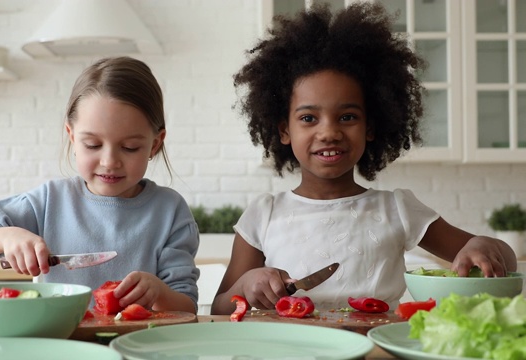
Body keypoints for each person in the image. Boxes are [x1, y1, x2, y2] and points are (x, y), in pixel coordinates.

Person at [211, 3, 516, 315]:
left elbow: (505, 257)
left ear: (370, 127)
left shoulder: (398, 208)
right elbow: (220, 308)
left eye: (347, 116)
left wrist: (484, 247)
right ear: (284, 130)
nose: (328, 132)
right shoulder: (263, 215)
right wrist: (247, 284)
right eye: (308, 118)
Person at [0, 57, 199, 314]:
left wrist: (159, 293)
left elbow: (187, 307)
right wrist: (4, 237)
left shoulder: (169, 210)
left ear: (155, 143)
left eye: (130, 147)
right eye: (93, 145)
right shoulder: (48, 201)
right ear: (72, 137)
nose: (109, 162)